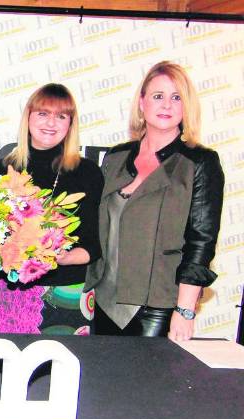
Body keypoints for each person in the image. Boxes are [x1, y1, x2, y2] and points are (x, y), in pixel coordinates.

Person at [87, 61, 224, 341]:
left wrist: (185, 312)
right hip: (104, 302)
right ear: (142, 103)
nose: (167, 105)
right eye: (158, 96)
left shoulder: (200, 162)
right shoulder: (115, 158)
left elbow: (201, 242)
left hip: (158, 309)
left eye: (177, 98)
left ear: (186, 107)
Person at [0, 83, 104, 335]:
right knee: (5, 371)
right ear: (28, 117)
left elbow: (93, 246)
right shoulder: (0, 171)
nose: (51, 122)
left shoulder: (88, 173)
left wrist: (64, 257)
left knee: (64, 372)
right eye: (43, 113)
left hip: (66, 295)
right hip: (8, 295)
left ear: (70, 124)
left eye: (61, 116)